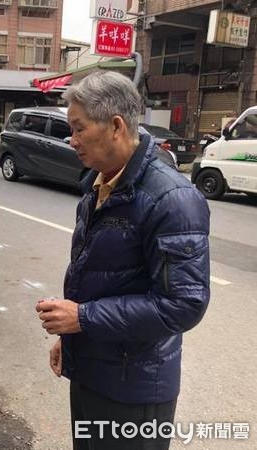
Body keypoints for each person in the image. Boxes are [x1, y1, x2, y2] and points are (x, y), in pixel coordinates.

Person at [35, 71, 210, 450]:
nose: (72, 139)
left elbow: (184, 304)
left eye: (79, 129)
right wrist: (73, 337)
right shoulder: (98, 185)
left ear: (115, 126)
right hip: (93, 371)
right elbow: (100, 280)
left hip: (135, 389)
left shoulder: (172, 199)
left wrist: (82, 319)